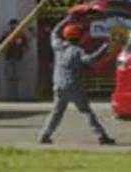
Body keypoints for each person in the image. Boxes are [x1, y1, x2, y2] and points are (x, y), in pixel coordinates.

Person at [38, 15, 116, 145]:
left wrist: (66, 20)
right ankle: (101, 136)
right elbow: (90, 59)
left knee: (56, 112)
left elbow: (54, 32)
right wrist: (104, 47)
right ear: (79, 38)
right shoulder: (77, 51)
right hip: (75, 86)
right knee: (86, 112)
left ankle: (45, 135)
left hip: (58, 85)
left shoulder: (58, 47)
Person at [2, 19, 29, 101]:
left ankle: (17, 96)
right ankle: (10, 96)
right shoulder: (7, 35)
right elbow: (1, 45)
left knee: (18, 77)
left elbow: (26, 46)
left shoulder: (21, 35)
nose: (14, 27)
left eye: (15, 25)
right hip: (9, 58)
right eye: (12, 25)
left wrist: (24, 52)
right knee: (10, 77)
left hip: (18, 58)